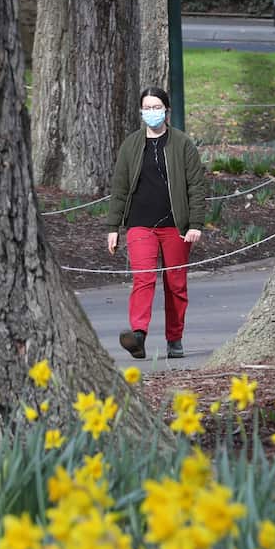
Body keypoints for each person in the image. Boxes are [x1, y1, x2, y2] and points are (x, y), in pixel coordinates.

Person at [105, 87, 206, 360]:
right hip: (140, 223)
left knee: (176, 283)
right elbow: (120, 188)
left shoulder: (182, 144)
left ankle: (175, 339)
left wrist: (195, 223)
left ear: (166, 110)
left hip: (176, 224)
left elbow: (197, 186)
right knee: (143, 278)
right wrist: (113, 227)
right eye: (147, 108)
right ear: (141, 112)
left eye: (156, 107)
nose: (152, 112)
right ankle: (138, 335)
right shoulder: (131, 145)